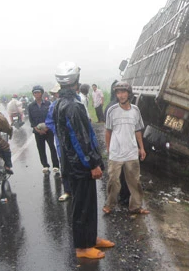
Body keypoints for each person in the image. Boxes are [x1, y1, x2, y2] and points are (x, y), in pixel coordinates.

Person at [53, 61, 114, 259]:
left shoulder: (62, 103)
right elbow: (80, 140)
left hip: (74, 163)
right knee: (81, 207)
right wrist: (93, 163)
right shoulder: (71, 105)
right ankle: (81, 248)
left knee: (89, 203)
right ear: (76, 81)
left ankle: (91, 238)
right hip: (79, 166)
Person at [102, 81, 149, 215]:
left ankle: (136, 206)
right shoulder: (112, 110)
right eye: (118, 93)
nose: (121, 95)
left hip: (131, 152)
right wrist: (109, 148)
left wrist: (141, 148)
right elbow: (108, 131)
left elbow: (138, 130)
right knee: (113, 181)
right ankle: (109, 205)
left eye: (123, 92)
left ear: (129, 94)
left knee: (134, 181)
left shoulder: (135, 110)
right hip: (116, 153)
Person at [45, 83, 72, 201]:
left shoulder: (75, 102)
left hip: (75, 141)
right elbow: (49, 122)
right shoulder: (53, 106)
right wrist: (61, 132)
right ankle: (67, 190)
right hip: (62, 141)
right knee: (64, 165)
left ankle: (77, 189)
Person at [28, 85, 60, 173]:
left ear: (41, 93)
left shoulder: (48, 104)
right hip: (37, 131)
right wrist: (37, 129)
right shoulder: (31, 106)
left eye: (38, 92)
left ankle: (56, 165)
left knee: (52, 147)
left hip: (48, 130)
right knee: (41, 148)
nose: (36, 94)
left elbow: (52, 116)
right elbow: (31, 120)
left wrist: (47, 128)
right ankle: (45, 165)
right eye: (35, 93)